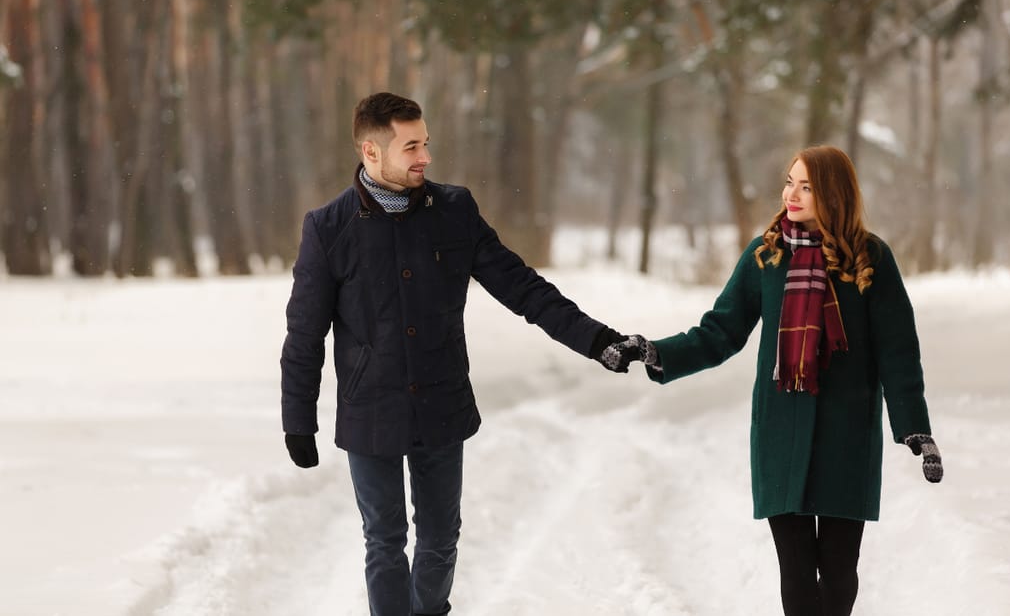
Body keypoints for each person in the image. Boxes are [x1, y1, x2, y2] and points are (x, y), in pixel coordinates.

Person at [280, 92, 628, 616]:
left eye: (427, 143)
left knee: (441, 538)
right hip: (369, 406)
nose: (426, 157)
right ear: (372, 153)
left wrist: (599, 341)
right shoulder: (329, 229)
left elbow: (524, 289)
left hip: (442, 401)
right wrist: (297, 420)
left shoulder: (454, 211)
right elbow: (305, 334)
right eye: (411, 146)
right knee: (385, 542)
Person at [604, 145, 944, 616]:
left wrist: (916, 429)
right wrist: (654, 350)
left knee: (840, 570)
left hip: (847, 432)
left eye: (807, 186)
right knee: (797, 570)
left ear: (834, 193)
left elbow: (898, 351)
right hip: (782, 430)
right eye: (789, 182)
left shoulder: (870, 259)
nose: (792, 194)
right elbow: (720, 330)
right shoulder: (767, 255)